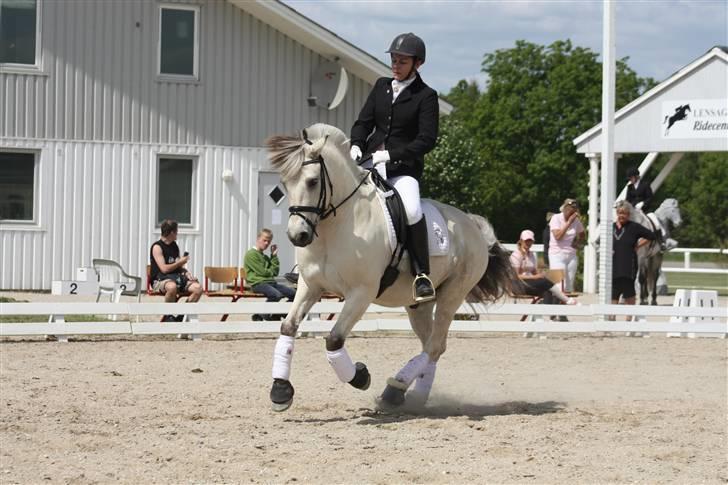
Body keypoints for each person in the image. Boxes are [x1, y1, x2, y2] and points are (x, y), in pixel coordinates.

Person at [349, 32, 439, 303]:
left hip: (402, 169)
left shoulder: (426, 96)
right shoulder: (381, 86)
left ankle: (422, 274)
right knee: (337, 195)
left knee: (412, 210)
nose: (396, 65)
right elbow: (364, 122)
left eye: (402, 61)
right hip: (368, 162)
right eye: (394, 60)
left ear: (417, 64)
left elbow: (426, 140)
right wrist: (356, 143)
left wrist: (390, 155)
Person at [611, 201, 658, 319]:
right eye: (620, 213)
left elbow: (652, 236)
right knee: (614, 293)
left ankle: (628, 320)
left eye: (625, 213)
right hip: (614, 264)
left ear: (629, 214)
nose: (622, 216)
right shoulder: (611, 227)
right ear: (617, 213)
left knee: (629, 293)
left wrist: (639, 245)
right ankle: (611, 320)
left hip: (629, 265)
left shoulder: (634, 227)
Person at [150, 219, 203, 322]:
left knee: (198, 288)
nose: (177, 234)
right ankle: (168, 316)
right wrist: (181, 262)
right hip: (160, 280)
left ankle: (182, 316)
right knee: (172, 287)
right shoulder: (157, 247)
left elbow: (178, 266)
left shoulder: (174, 246)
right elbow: (164, 269)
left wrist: (186, 273)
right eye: (176, 231)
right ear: (171, 232)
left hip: (176, 278)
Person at [510, 230, 577, 306]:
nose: (528, 243)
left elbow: (535, 272)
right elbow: (516, 276)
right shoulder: (516, 255)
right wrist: (535, 277)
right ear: (521, 241)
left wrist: (542, 274)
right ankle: (567, 300)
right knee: (546, 283)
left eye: (530, 241)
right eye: (526, 241)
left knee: (549, 289)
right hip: (517, 285)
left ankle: (550, 314)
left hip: (529, 283)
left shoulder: (531, 254)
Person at [244, 228, 295, 321]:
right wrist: (270, 271)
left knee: (294, 294)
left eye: (269, 241)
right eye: (264, 240)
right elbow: (262, 272)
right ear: (258, 239)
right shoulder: (251, 254)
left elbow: (275, 272)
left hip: (271, 283)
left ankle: (277, 314)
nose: (267, 243)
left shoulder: (266, 257)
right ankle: (262, 314)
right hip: (258, 283)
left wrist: (274, 256)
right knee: (277, 295)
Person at [548, 198, 585, 293]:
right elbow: (558, 236)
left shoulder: (576, 221)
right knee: (559, 285)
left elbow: (582, 234)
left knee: (568, 287)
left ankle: (566, 306)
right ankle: (556, 306)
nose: (571, 213)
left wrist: (577, 243)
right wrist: (569, 223)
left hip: (571, 255)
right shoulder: (555, 218)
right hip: (556, 254)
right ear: (564, 209)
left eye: (574, 211)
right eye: (569, 210)